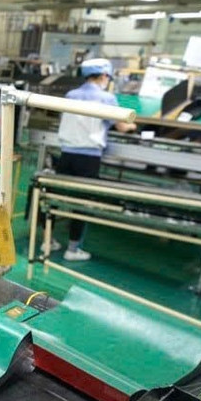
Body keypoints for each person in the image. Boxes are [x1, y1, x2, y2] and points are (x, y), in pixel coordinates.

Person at [55, 58, 137, 261]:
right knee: (81, 203)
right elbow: (122, 126)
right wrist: (134, 127)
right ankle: (72, 249)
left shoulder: (71, 94)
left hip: (66, 154)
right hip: (88, 157)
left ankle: (48, 241)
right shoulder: (106, 98)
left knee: (55, 196)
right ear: (103, 76)